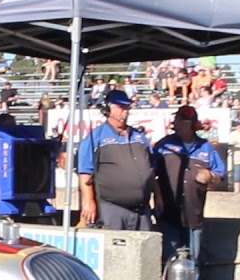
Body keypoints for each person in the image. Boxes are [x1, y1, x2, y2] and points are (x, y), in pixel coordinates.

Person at [153, 106, 225, 263]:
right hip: (169, 215)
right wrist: (158, 196)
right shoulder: (164, 145)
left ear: (192, 125)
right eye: (176, 120)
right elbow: (150, 172)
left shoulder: (205, 147)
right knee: (170, 260)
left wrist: (210, 176)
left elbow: (220, 174)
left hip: (194, 215)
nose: (176, 124)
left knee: (193, 261)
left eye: (181, 121)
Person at [77, 89, 155, 230]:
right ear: (108, 109)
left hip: (142, 210)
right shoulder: (95, 137)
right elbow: (85, 173)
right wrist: (88, 201)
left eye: (127, 107)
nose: (125, 111)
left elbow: (151, 168)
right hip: (111, 208)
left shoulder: (139, 136)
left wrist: (158, 198)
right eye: (120, 107)